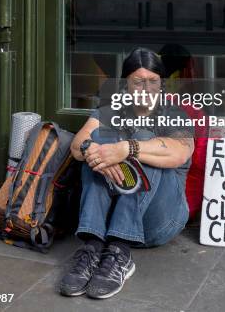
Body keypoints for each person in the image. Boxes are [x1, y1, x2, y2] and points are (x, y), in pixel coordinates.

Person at [59, 48, 194, 300]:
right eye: (138, 81)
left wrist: (126, 149)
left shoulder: (174, 115)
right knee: (95, 141)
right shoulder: (110, 111)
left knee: (142, 140)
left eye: (153, 81)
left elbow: (179, 153)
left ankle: (120, 253)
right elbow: (78, 144)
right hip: (109, 222)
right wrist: (94, 152)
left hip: (160, 220)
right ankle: (93, 247)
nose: (146, 88)